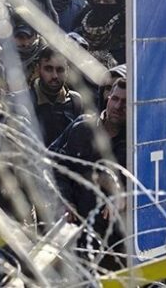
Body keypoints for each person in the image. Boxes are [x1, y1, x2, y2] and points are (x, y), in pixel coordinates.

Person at [51, 78, 127, 269]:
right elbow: (58, 168)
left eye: (125, 102)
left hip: (113, 246)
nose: (118, 106)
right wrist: (65, 200)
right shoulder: (84, 129)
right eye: (115, 99)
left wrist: (123, 196)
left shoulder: (135, 143)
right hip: (73, 234)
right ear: (108, 98)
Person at [13, 47, 83, 146]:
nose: (54, 76)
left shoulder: (75, 101)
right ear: (38, 69)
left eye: (60, 70)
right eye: (48, 69)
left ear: (67, 71)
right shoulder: (21, 100)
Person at [72, 0, 125, 66]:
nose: (101, 4)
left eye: (107, 1)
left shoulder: (125, 28)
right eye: (97, 1)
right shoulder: (79, 26)